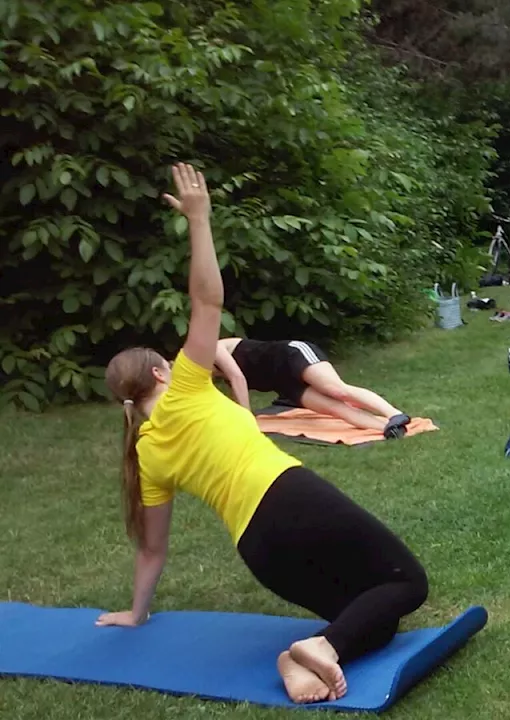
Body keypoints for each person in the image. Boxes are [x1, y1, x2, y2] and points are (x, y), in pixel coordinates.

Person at [99, 163, 428, 705]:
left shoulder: (146, 453)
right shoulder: (184, 385)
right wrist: (200, 221)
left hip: (259, 551)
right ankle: (320, 651)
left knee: (375, 615)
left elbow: (153, 550)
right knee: (408, 584)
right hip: (287, 497)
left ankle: (305, 652)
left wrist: (137, 613)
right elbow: (208, 302)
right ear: (161, 371)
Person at [214, 338, 410, 437]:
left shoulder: (212, 348)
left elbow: (237, 377)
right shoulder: (202, 372)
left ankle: (394, 414)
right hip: (283, 384)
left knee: (336, 389)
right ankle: (389, 429)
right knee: (336, 409)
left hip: (290, 356)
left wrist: (246, 417)